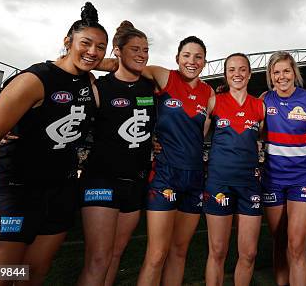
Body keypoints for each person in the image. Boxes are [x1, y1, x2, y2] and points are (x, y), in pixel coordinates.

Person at [0, 2, 108, 285]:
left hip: (60, 191)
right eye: (86, 43)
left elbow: (110, 64)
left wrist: (94, 59)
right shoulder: (34, 79)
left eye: (100, 47)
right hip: (17, 191)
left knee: (32, 275)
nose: (93, 52)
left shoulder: (88, 83)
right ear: (67, 42)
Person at [77, 21, 155, 286]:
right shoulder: (99, 87)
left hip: (134, 182)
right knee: (98, 258)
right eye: (135, 49)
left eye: (146, 49)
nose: (143, 54)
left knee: (114, 255)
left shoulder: (152, 88)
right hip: (101, 180)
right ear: (117, 52)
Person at [136, 36, 213, 286]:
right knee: (157, 255)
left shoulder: (209, 94)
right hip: (165, 175)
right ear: (177, 58)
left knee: (179, 253)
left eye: (198, 57)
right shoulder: (163, 76)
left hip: (194, 179)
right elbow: (125, 64)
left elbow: (209, 129)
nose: (192, 61)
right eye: (187, 55)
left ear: (204, 62)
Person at [203, 53, 265, 286]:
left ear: (249, 74)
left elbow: (265, 138)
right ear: (226, 74)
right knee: (217, 252)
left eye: (242, 69)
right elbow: (194, 134)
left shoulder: (259, 106)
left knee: (248, 254)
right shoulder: (214, 102)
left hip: (250, 185)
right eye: (231, 69)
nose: (237, 74)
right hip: (219, 183)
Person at [260, 51, 306, 286]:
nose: (282, 76)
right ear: (270, 76)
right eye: (276, 72)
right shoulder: (265, 99)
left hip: (301, 179)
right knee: (279, 241)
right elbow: (255, 132)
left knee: (296, 245)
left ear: (294, 72)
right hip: (272, 178)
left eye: (286, 71)